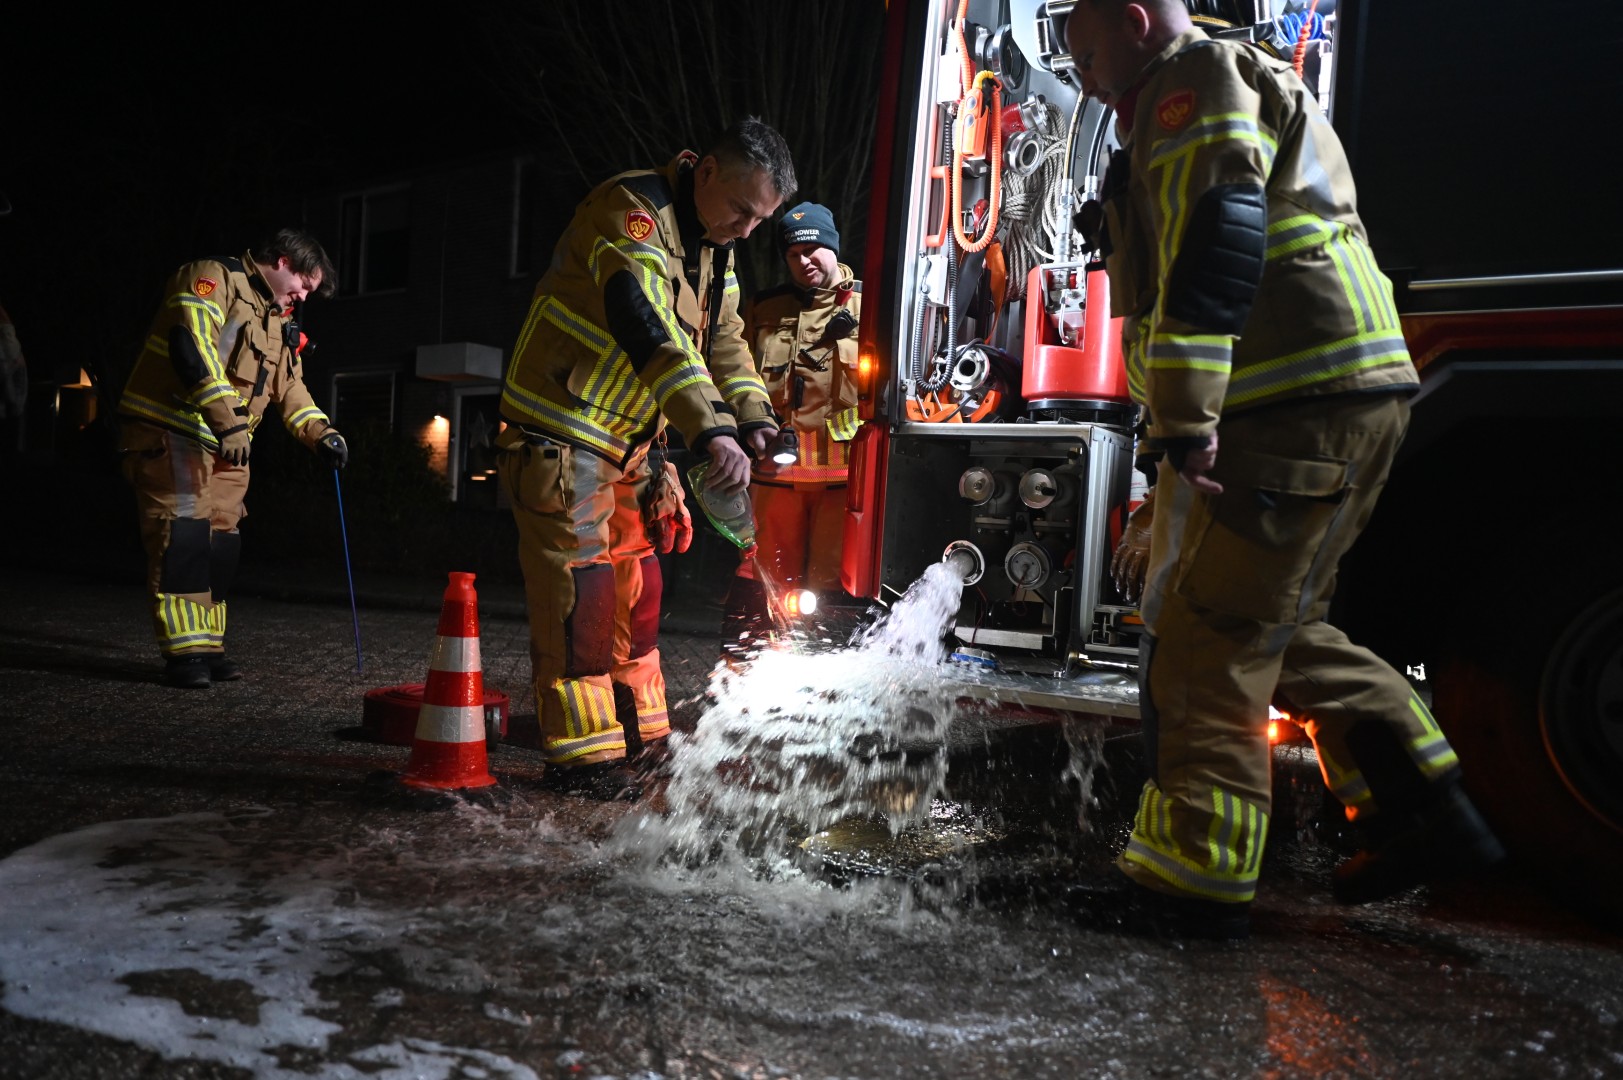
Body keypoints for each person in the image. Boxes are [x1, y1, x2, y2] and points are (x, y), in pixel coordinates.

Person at [1064, 1, 1503, 939]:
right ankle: (1423, 809)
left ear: (1133, 20)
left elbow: (1214, 242)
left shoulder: (1185, 86)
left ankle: (1191, 884)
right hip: (1342, 396)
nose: (1087, 78)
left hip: (1283, 402)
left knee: (1206, 643)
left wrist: (1182, 421)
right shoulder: (1237, 67)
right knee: (1277, 624)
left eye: (1087, 51)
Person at [496, 116, 794, 798]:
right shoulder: (629, 211)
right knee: (584, 596)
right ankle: (582, 757)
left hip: (629, 445)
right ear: (707, 173)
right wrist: (711, 429)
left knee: (639, 595)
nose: (748, 229)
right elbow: (646, 324)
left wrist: (752, 420)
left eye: (761, 219)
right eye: (742, 211)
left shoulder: (716, 247)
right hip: (563, 427)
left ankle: (638, 737)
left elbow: (724, 340)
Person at [116, 228, 349, 689]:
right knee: (183, 534)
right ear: (282, 260)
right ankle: (184, 655)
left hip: (229, 443)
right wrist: (228, 420)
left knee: (221, 543)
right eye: (304, 283)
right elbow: (193, 345)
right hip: (174, 427)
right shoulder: (213, 277)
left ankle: (207, 645)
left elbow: (292, 389)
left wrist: (322, 433)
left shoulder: (279, 319)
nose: (304, 297)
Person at [721, 202, 862, 658]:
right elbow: (734, 372)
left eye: (813, 248)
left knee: (832, 587)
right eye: (793, 253)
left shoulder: (870, 302)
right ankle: (742, 676)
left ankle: (825, 683)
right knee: (760, 576)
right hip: (775, 478)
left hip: (843, 482)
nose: (804, 260)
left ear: (832, 247)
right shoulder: (764, 308)